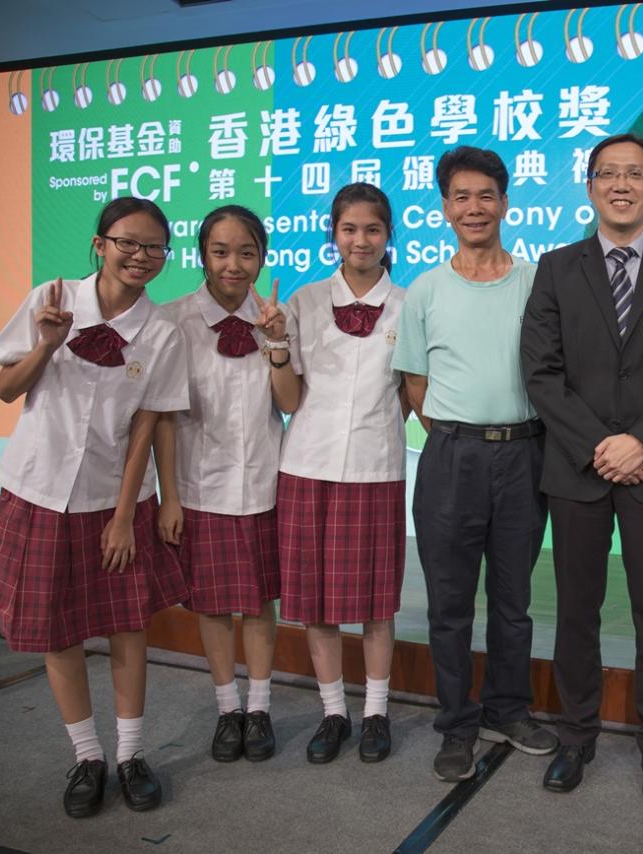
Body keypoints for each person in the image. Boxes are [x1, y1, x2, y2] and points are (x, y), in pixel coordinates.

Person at [521, 132, 643, 806]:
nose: (622, 185)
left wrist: (642, 442)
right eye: (609, 173)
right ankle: (575, 736)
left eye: (635, 174)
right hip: (577, 470)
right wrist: (600, 446)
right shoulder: (556, 268)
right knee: (577, 611)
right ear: (590, 187)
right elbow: (541, 373)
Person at [0, 197, 189, 817]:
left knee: (127, 626)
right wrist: (47, 345)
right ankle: (86, 756)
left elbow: (147, 427)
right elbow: (6, 388)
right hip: (37, 490)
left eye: (154, 247)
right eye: (128, 242)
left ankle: (129, 754)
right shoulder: (53, 299)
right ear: (100, 244)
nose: (141, 256)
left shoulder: (162, 332)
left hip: (111, 497)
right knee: (58, 630)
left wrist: (125, 517)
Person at [394, 146, 557, 782]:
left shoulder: (538, 282)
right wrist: (461, 437)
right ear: (444, 208)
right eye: (461, 196)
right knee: (450, 604)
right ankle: (457, 724)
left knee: (514, 601)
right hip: (451, 459)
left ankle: (508, 710)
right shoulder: (425, 291)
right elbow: (415, 383)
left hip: (525, 454)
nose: (474, 207)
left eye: (485, 195)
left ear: (505, 203)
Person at [260, 183, 408, 765]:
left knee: (376, 602)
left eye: (372, 229)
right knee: (316, 601)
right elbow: (289, 398)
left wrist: (378, 431)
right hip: (307, 466)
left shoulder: (409, 304)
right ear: (333, 234)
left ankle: (376, 712)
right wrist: (276, 344)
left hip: (376, 469)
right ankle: (333, 712)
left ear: (388, 234)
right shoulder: (303, 301)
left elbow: (408, 394)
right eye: (349, 229)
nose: (360, 240)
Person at [154, 205, 284, 764]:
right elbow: (161, 417)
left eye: (247, 253)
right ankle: (227, 708)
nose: (234, 264)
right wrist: (170, 497)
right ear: (202, 256)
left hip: (264, 482)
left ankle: (260, 708)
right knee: (211, 604)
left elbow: (289, 401)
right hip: (200, 487)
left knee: (258, 603)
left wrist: (277, 342)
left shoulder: (275, 318)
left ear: (262, 258)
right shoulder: (173, 322)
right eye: (221, 251)